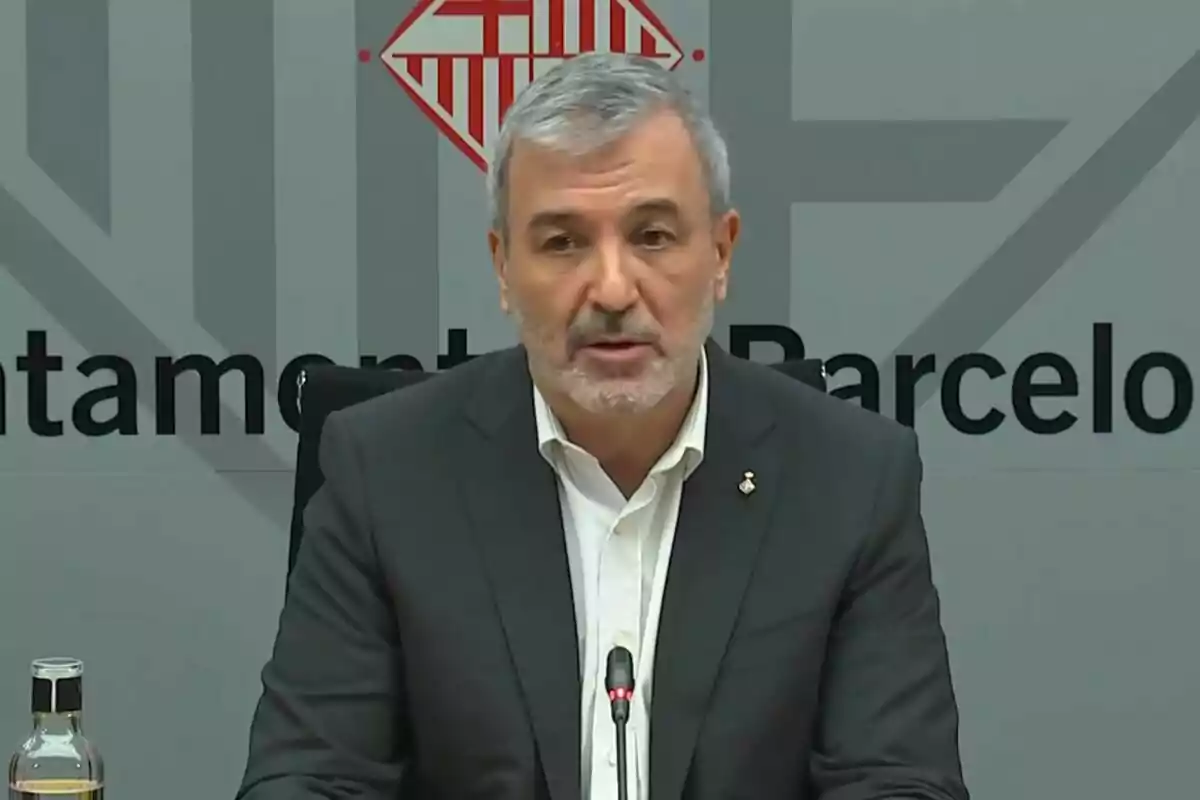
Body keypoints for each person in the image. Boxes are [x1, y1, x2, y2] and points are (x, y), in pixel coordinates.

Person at [235, 53, 969, 800]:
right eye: (562, 242)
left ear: (720, 253)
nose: (613, 289)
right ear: (502, 268)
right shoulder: (385, 472)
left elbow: (898, 783)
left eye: (652, 236)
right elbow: (310, 779)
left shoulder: (849, 480)